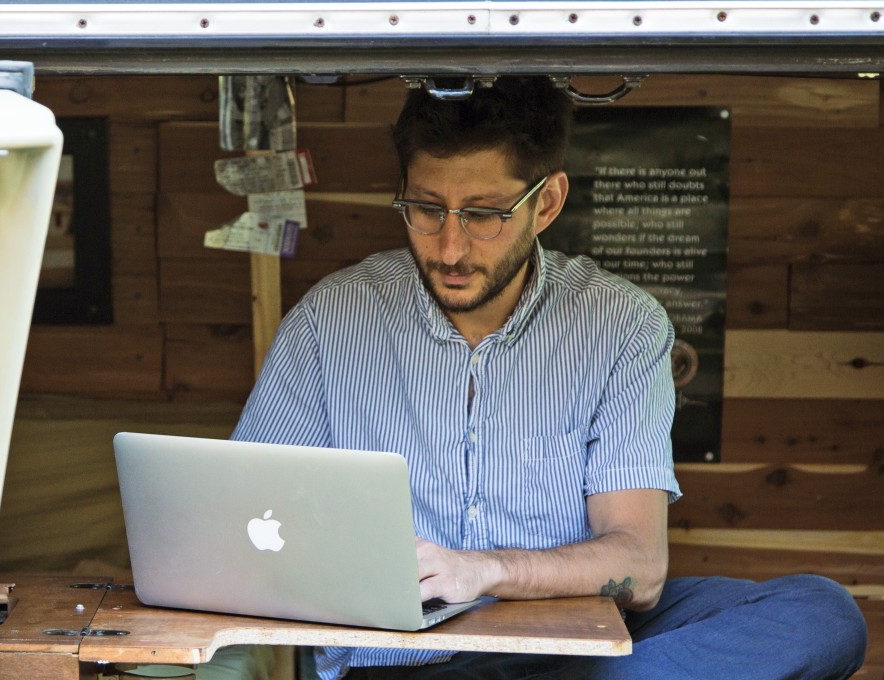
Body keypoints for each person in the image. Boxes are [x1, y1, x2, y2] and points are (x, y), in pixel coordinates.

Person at [231, 76, 868, 680]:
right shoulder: (330, 318)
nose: (450, 248)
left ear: (548, 203)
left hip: (579, 648)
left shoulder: (621, 322)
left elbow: (641, 569)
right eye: (427, 209)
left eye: (483, 214)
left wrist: (479, 571)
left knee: (820, 613)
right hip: (405, 660)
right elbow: (238, 527)